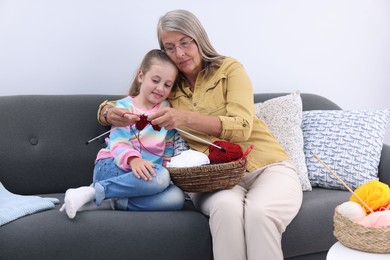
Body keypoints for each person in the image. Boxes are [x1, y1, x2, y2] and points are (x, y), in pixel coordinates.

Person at [97, 10, 303, 260]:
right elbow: (134, 99)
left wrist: (184, 118)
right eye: (170, 47)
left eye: (185, 42)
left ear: (199, 39)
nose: (180, 53)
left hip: (268, 167)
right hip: (212, 179)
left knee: (260, 213)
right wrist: (107, 113)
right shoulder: (170, 85)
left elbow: (241, 126)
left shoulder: (230, 69)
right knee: (226, 210)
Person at [60, 49, 185, 219]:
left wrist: (164, 173)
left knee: (176, 197)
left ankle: (107, 201)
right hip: (113, 167)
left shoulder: (166, 111)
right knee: (161, 177)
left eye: (167, 85)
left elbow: (168, 147)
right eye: (155, 80)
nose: (160, 88)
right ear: (141, 76)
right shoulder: (123, 108)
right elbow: (119, 143)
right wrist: (134, 160)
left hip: (143, 178)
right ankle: (94, 190)